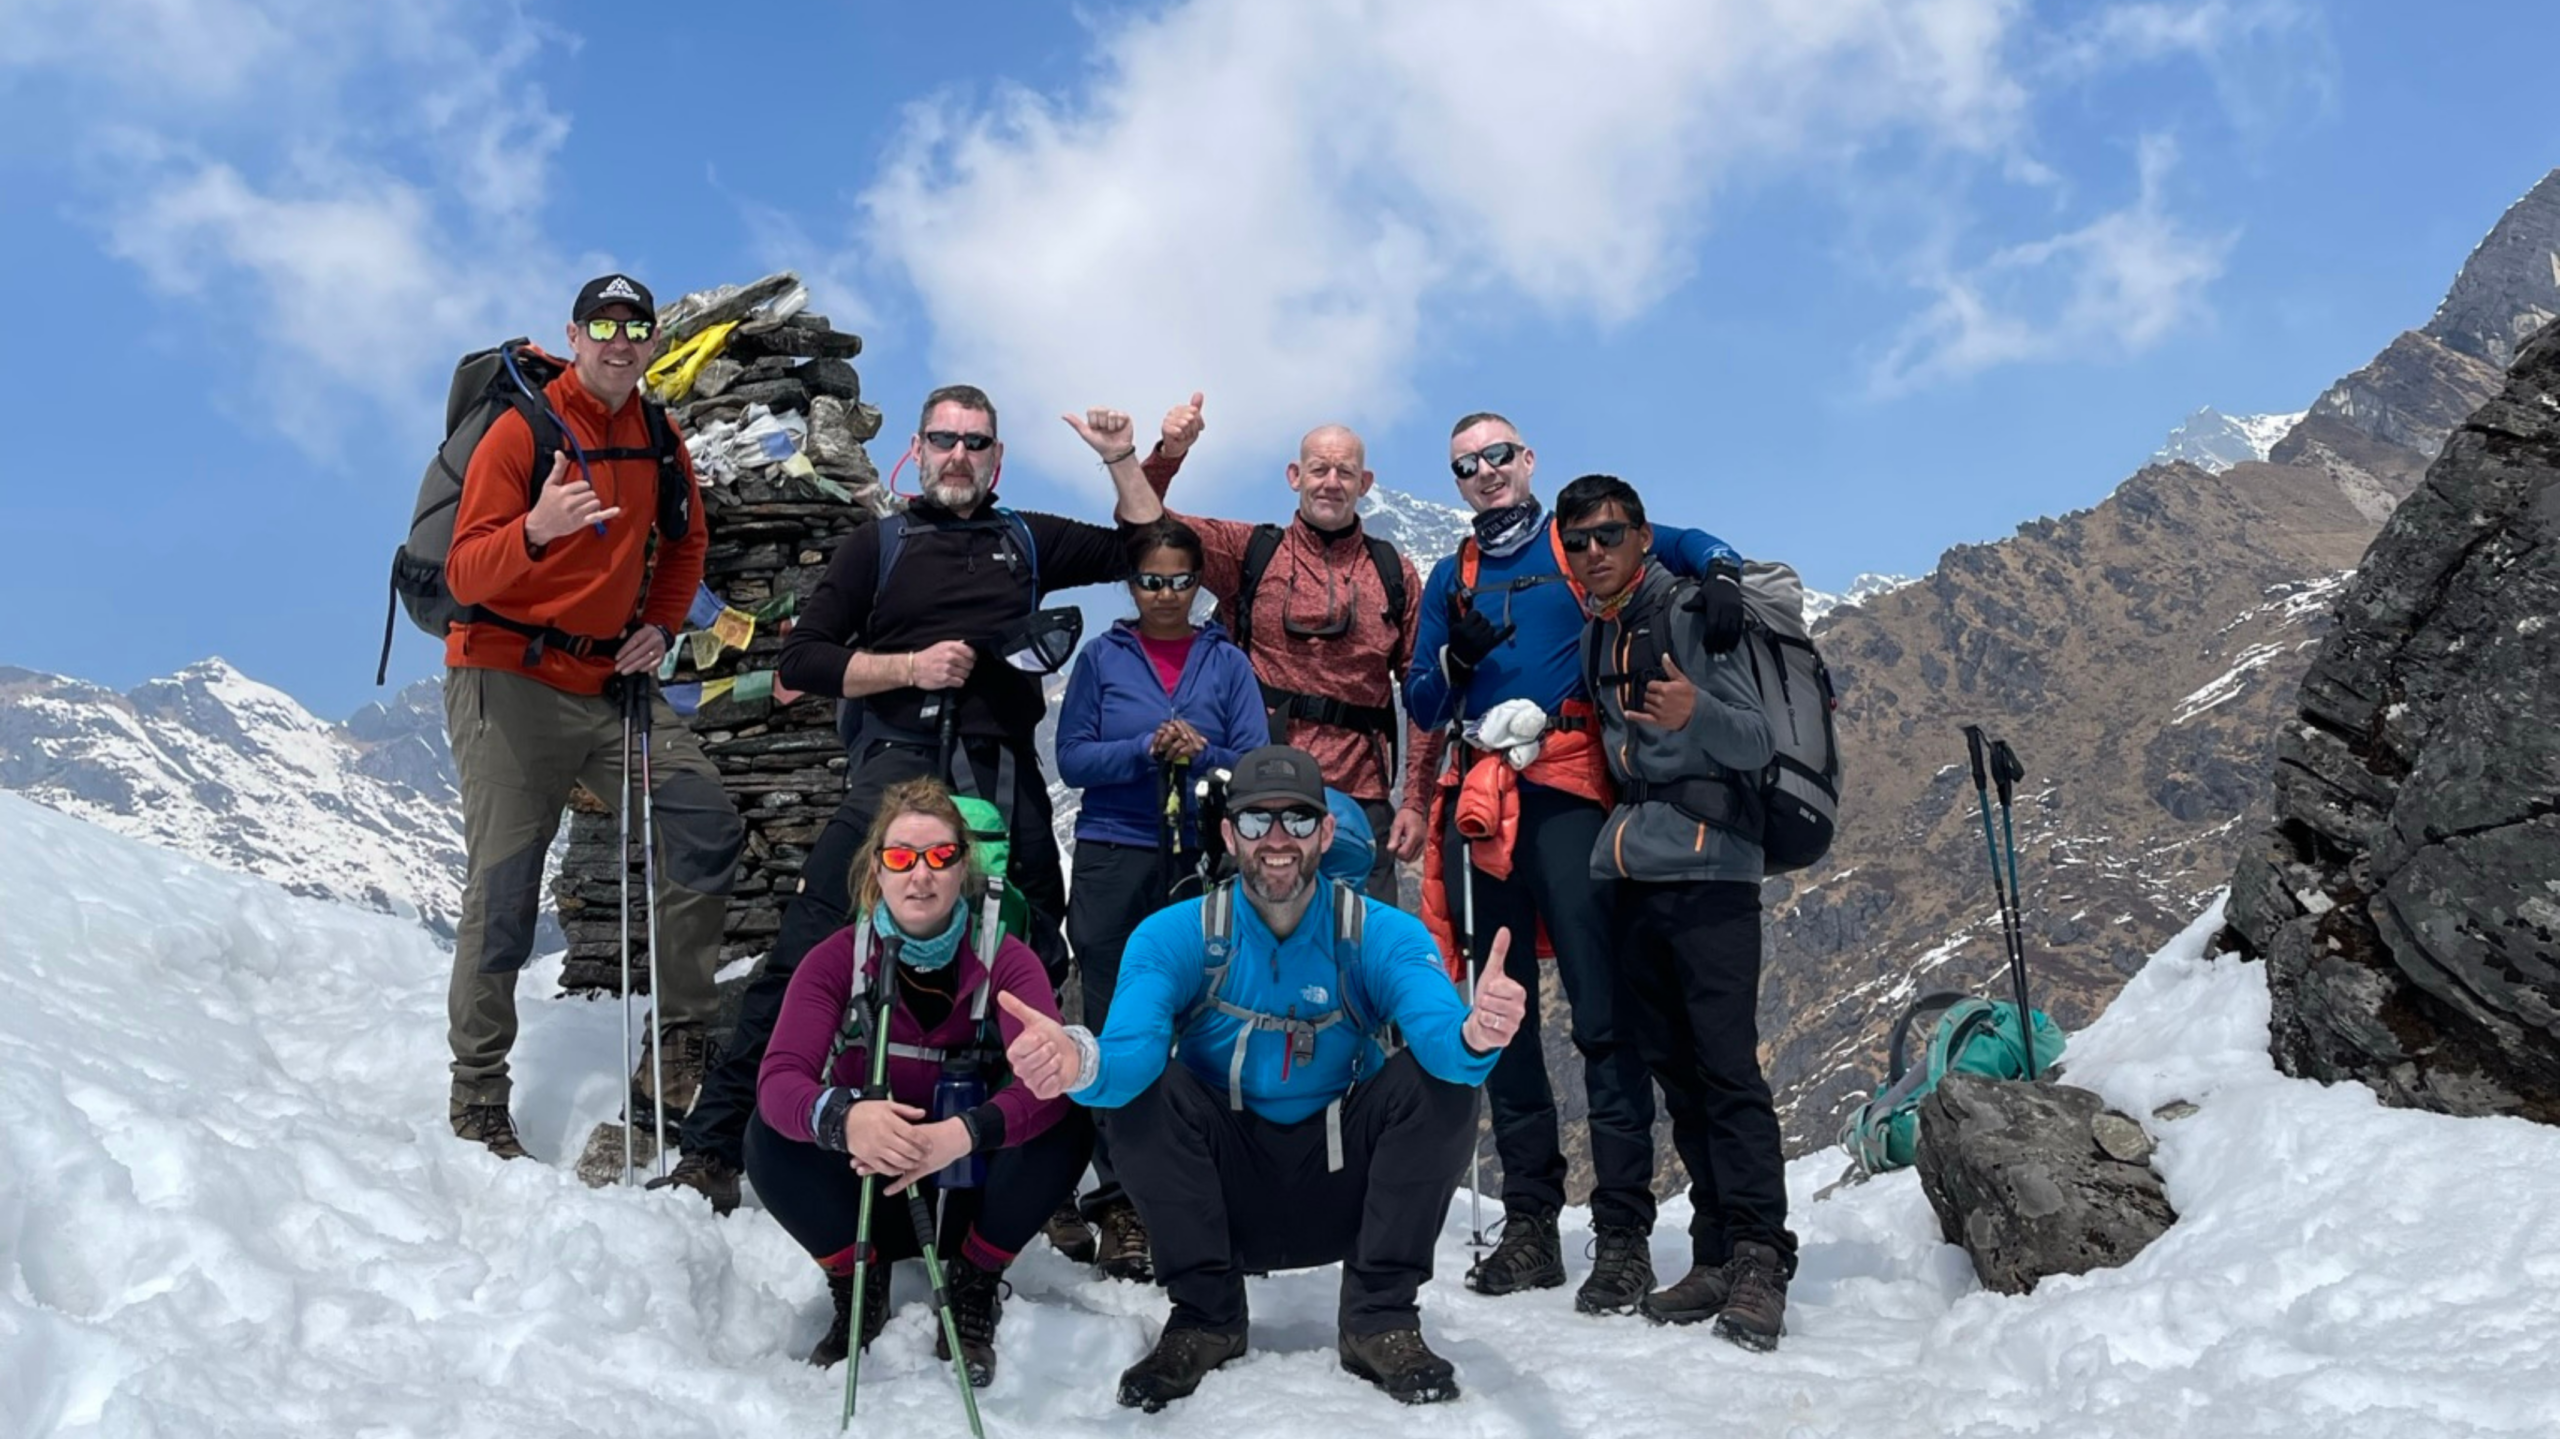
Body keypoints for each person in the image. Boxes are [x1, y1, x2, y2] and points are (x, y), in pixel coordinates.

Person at [653, 390, 1163, 1210]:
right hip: (896, 765)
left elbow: (1147, 545)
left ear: (996, 458)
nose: (958, 454)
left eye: (975, 442)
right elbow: (807, 661)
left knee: (1036, 964)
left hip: (1000, 773)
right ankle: (713, 1146)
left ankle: (1048, 1172)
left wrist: (1118, 457)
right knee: (810, 946)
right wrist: (909, 668)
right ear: (918, 452)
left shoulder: (1025, 538)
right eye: (944, 440)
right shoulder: (877, 546)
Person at [1003, 745, 1532, 1410]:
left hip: (1343, 1185)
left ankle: (1380, 1316)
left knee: (1441, 1084)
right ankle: (1205, 1314)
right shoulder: (1174, 936)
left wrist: (1475, 1034)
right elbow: (1130, 1053)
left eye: (1299, 820)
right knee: (1145, 1097)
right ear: (1229, 833)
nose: (1277, 840)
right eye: (1256, 822)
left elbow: (1438, 1035)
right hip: (1221, 1194)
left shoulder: (1380, 934)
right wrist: (1081, 1059)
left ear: (1328, 831)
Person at [1401, 410, 1746, 1310]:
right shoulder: (1454, 576)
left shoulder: (1575, 536)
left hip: (1570, 789)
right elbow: (1425, 699)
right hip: (1485, 800)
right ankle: (1530, 1223)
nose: (1484, 473)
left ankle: (1622, 1232)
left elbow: (1681, 539)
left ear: (1527, 460)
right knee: (1498, 1011)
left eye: (1498, 456)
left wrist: (1721, 573)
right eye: (1466, 464)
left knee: (1604, 1012)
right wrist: (1452, 653)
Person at [440, 272, 744, 1159]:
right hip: (507, 678)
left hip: (607, 681)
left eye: (635, 327)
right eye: (603, 326)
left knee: (702, 819)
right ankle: (477, 1095)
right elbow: (465, 576)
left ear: (651, 341)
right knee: (504, 889)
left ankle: (679, 1041)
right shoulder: (520, 430)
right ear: (574, 335)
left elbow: (686, 539)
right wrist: (534, 528)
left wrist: (657, 623)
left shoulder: (655, 432)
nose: (620, 341)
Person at [747, 777, 1091, 1386]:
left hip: (968, 1187)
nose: (921, 875)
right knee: (767, 1139)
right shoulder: (838, 960)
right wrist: (844, 1119)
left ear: (965, 868)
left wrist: (963, 1134)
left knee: (1067, 1122)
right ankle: (858, 1279)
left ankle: (974, 1278)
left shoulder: (1006, 959)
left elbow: (1044, 1084)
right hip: (866, 1188)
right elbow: (779, 1083)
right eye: (901, 858)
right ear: (877, 870)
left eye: (940, 857)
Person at [1557, 472, 1795, 1350]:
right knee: (1680, 1076)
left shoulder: (1693, 613)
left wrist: (1695, 712)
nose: (1592, 554)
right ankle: (1715, 1248)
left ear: (1642, 536)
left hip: (1711, 875)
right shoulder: (1600, 629)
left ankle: (1764, 1256)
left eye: (1607, 536)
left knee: (1728, 1069)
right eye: (1577, 541)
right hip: (1634, 873)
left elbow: (1755, 740)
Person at [1048, 517, 1271, 1280]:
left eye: (1182, 581)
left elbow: (1255, 760)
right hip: (1114, 853)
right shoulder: (1101, 659)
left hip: (1204, 857)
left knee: (1211, 1017)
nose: (1167, 595)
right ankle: (1123, 1205)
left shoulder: (1228, 663)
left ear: (1199, 583)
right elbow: (1074, 756)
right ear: (1130, 584)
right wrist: (1144, 749)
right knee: (1117, 1020)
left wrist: (1202, 752)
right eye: (1151, 580)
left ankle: (1210, 1191)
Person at [1138, 396, 1438, 904]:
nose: (1331, 482)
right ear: (1294, 475)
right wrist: (1169, 453)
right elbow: (1148, 523)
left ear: (1365, 484)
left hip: (1363, 795)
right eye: (1319, 469)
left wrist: (1415, 802)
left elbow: (1423, 693)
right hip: (1261, 789)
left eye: (1346, 472)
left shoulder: (1395, 573)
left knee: (1365, 955)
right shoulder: (1250, 552)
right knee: (1261, 953)